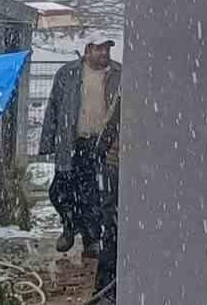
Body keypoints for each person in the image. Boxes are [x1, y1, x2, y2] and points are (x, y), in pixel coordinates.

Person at [39, 39, 121, 257]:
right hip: (72, 141)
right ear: (88, 49)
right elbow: (54, 107)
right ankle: (68, 224)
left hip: (102, 144)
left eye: (107, 48)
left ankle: (91, 238)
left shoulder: (118, 74)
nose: (104, 53)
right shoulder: (68, 73)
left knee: (94, 195)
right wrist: (47, 142)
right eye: (99, 48)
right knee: (60, 190)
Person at [94, 95, 120, 302]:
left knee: (112, 229)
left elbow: (110, 123)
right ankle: (106, 290)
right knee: (112, 228)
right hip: (119, 164)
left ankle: (106, 289)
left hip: (118, 165)